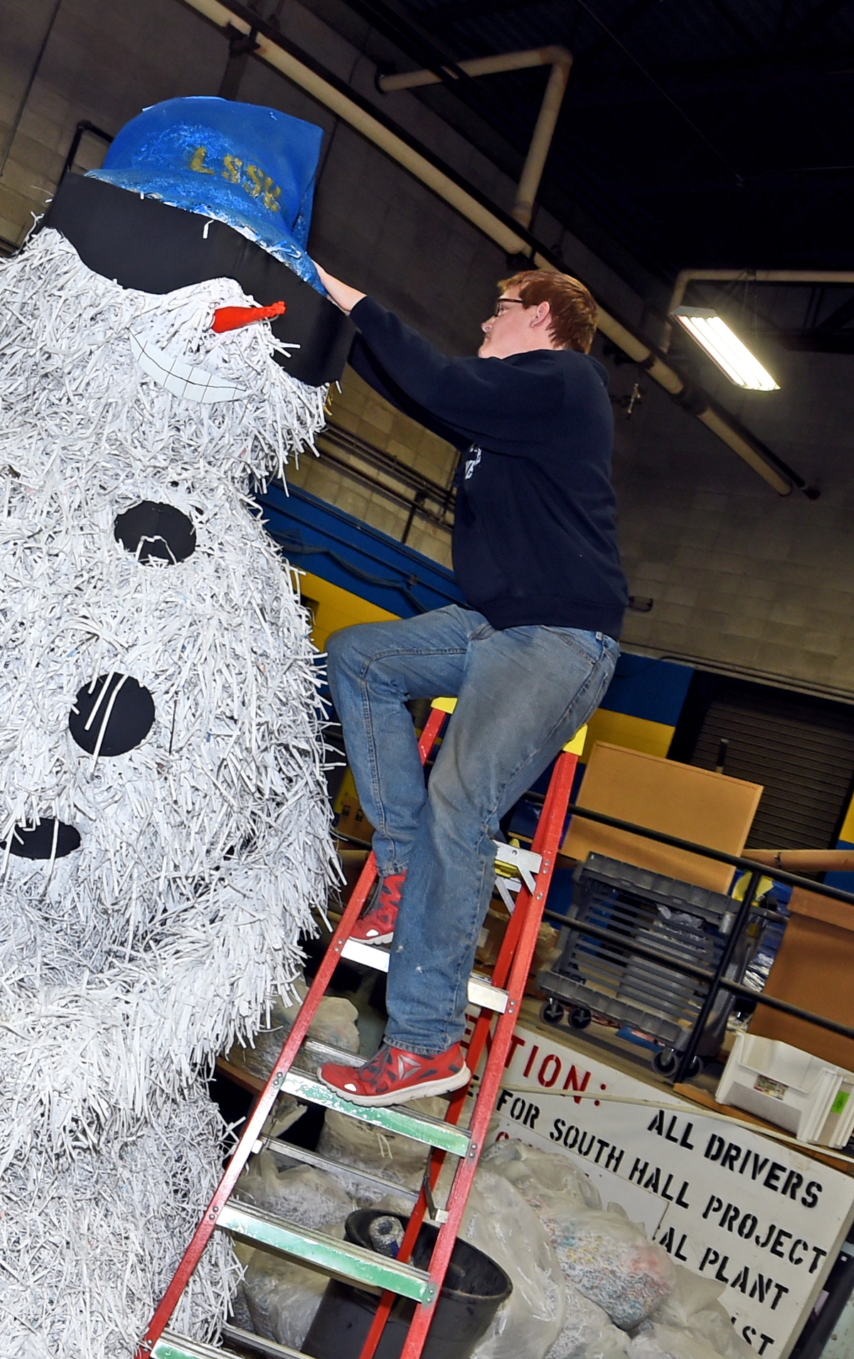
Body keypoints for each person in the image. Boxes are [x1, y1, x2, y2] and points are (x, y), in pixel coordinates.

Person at [304, 267, 624, 1105]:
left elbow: (442, 377)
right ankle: (403, 866)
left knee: (461, 801)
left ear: (544, 318)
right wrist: (325, 326)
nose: (485, 324)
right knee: (361, 656)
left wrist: (350, 295)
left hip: (558, 637)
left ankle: (426, 1040)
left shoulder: (566, 382)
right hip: (495, 621)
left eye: (500, 311)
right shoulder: (513, 403)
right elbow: (425, 393)